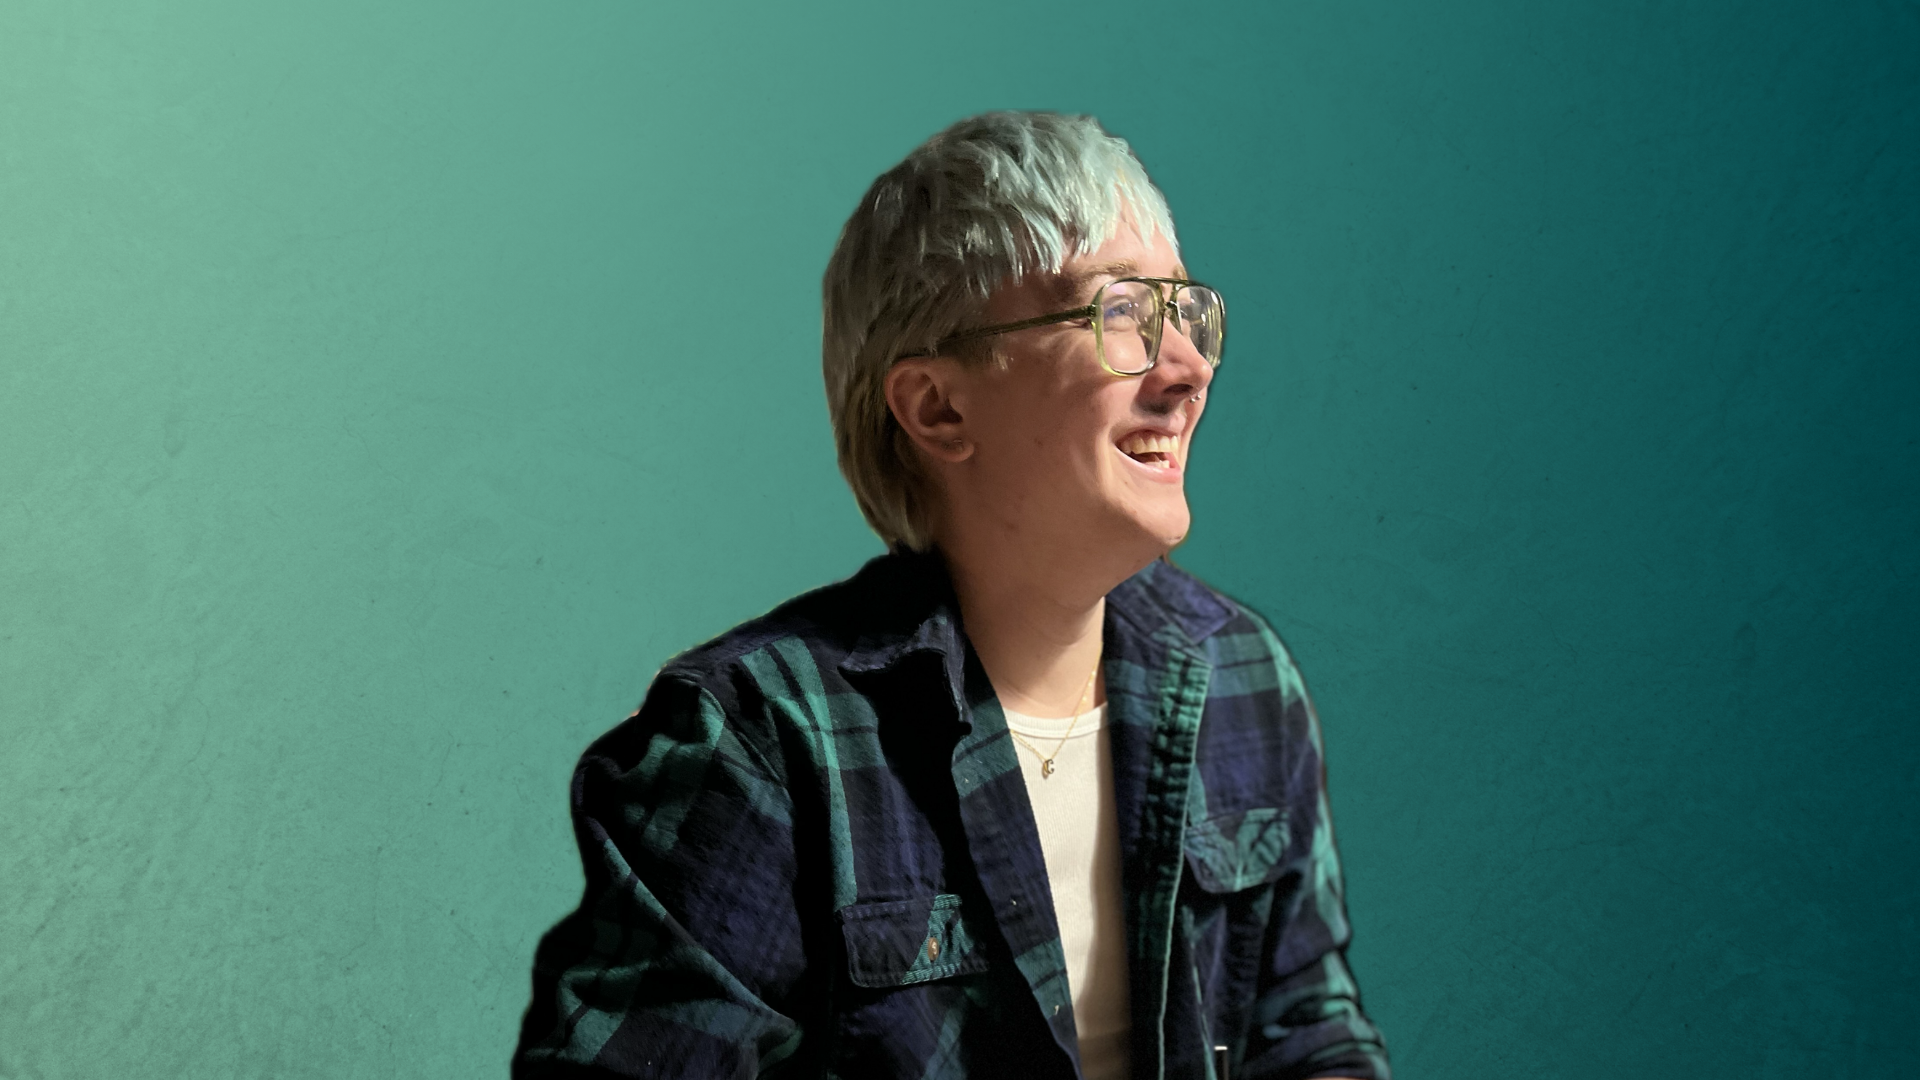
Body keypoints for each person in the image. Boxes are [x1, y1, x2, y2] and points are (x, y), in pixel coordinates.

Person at [512, 111, 1390, 1080]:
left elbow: (1308, 1039)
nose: (1189, 369)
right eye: (1122, 315)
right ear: (938, 408)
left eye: (1185, 312)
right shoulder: (758, 748)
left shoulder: (1244, 682)